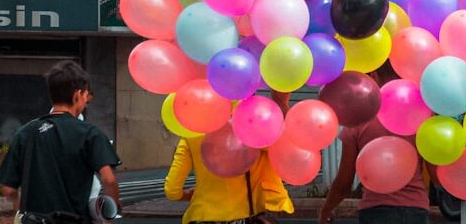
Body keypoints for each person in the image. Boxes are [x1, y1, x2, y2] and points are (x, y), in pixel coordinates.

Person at [0, 61, 122, 223]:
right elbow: (109, 179)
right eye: (85, 96)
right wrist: (113, 209)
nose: (85, 102)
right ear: (77, 95)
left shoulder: (25, 133)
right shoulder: (91, 134)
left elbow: (8, 189)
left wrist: (24, 210)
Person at [318, 62, 431, 224]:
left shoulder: (360, 119)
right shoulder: (421, 116)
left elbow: (344, 182)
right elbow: (436, 172)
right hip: (415, 209)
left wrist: (326, 210)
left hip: (375, 211)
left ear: (373, 76)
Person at [163, 91, 294, 224]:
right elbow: (284, 148)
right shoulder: (248, 129)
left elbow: (171, 190)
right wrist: (282, 104)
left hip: (201, 214)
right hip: (242, 216)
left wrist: (186, 195)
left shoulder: (191, 135)